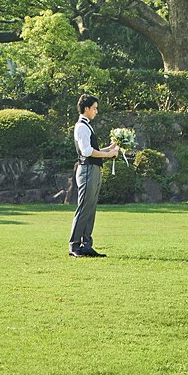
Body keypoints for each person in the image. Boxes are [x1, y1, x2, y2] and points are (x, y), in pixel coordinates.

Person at [69, 93, 118, 258]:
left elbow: (94, 151)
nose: (96, 111)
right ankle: (74, 246)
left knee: (90, 208)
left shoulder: (87, 126)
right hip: (87, 169)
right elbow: (87, 152)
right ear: (86, 108)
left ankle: (86, 244)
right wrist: (108, 154)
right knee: (84, 208)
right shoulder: (81, 126)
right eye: (95, 108)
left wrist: (110, 149)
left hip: (93, 169)